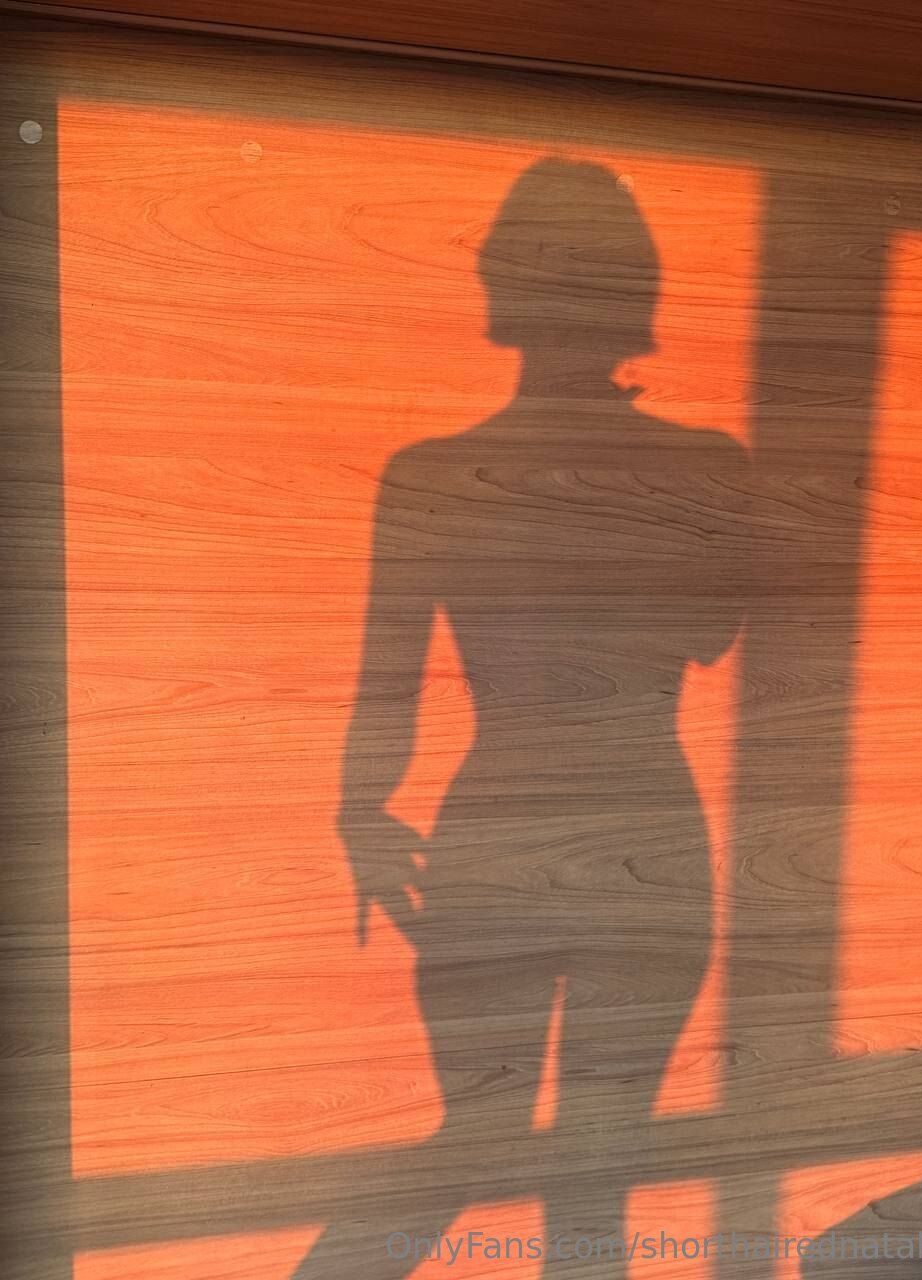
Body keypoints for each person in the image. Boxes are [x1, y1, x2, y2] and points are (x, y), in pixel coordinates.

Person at [297, 156, 750, 1278]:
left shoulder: (434, 475)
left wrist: (360, 814)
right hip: (643, 822)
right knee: (592, 1172)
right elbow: (714, 635)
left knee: (486, 1136)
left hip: (500, 824)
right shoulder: (703, 466)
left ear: (503, 284)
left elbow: (387, 685)